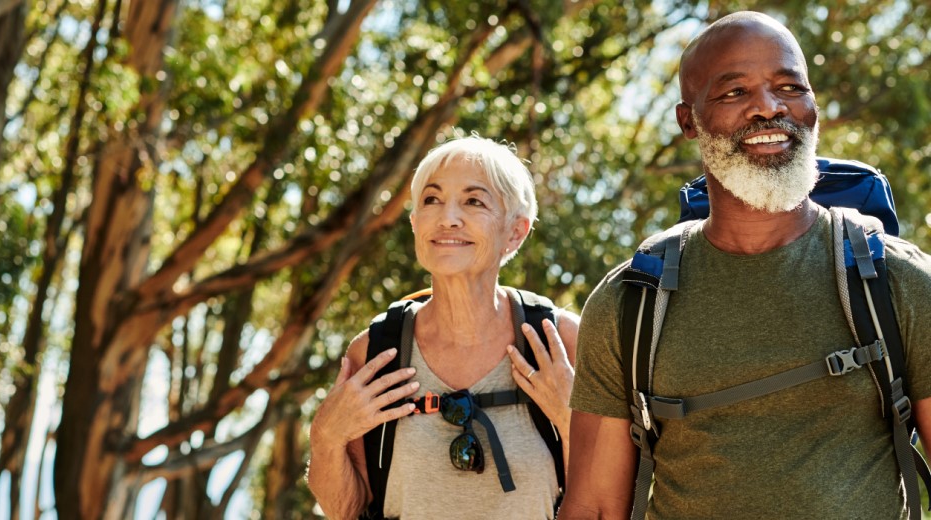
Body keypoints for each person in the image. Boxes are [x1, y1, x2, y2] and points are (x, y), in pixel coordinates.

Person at [560, 11, 931, 520]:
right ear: (688, 120)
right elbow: (595, 508)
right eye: (735, 92)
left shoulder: (896, 281)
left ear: (813, 106)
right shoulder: (630, 301)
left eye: (789, 87)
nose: (768, 108)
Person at [308, 135, 580, 519]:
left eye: (474, 201)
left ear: (515, 231)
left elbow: (602, 504)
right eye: (432, 200)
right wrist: (325, 438)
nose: (447, 217)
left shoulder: (562, 344)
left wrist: (572, 422)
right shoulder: (377, 351)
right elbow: (347, 511)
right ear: (415, 223)